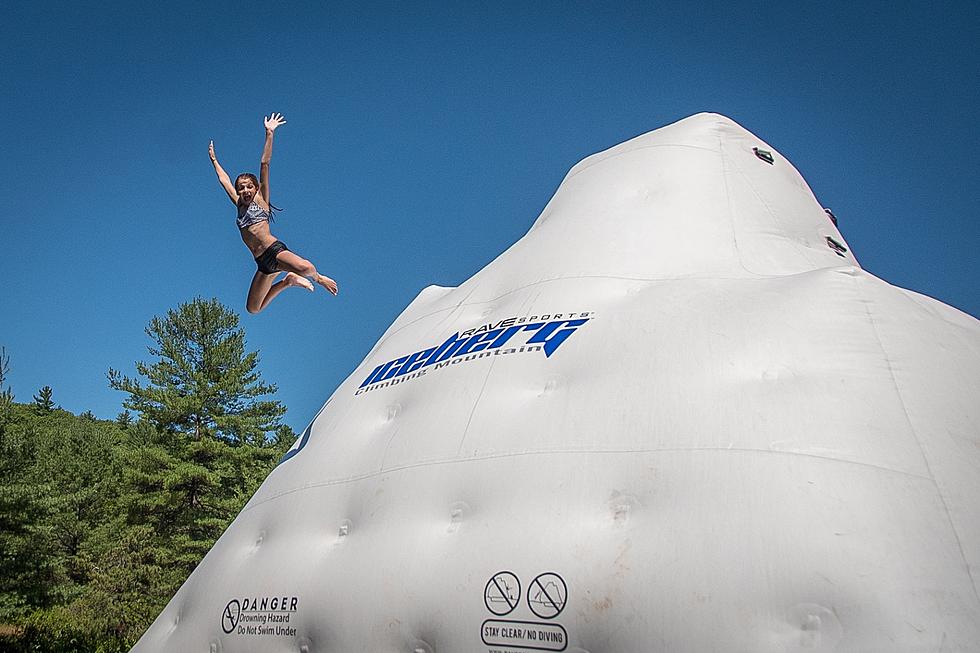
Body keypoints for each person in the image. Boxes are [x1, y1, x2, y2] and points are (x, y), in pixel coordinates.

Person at [209, 113, 338, 314]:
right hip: (262, 263)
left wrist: (269, 133)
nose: (244, 191)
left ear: (256, 188)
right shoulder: (238, 205)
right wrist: (214, 161)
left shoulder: (262, 202)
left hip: (274, 251)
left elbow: (265, 164)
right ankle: (288, 281)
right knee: (253, 308)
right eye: (241, 188)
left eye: (248, 187)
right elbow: (224, 181)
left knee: (306, 268)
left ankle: (319, 278)